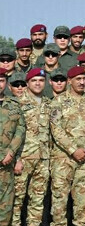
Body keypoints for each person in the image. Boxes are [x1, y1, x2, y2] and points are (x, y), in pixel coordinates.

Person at [49, 66, 85, 226]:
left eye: (84, 79)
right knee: (59, 202)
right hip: (62, 159)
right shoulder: (58, 102)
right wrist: (73, 150)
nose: (82, 82)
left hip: (84, 160)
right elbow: (55, 129)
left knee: (83, 202)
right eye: (78, 79)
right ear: (70, 81)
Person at [12, 68, 50, 226]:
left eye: (41, 80)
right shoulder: (17, 104)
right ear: (27, 84)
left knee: (37, 202)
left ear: (45, 82)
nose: (38, 84)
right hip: (24, 158)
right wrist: (16, 159)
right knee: (17, 201)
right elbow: (12, 134)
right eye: (34, 80)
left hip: (43, 159)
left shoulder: (49, 103)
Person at [0, 68, 25, 226]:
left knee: (5, 209)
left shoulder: (14, 105)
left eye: (1, 81)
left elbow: (20, 130)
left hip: (6, 164)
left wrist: (11, 152)